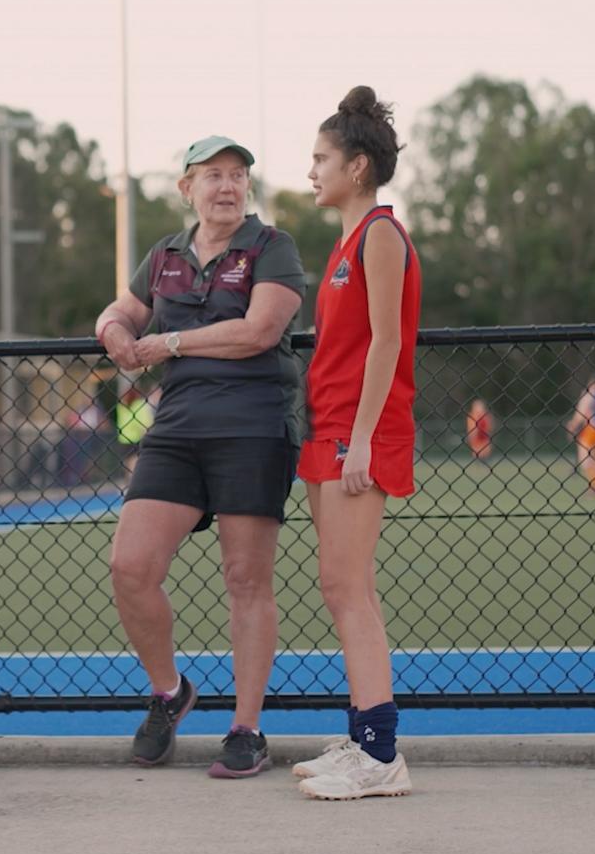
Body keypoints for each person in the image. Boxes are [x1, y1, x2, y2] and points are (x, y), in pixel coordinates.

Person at [92, 134, 306, 779]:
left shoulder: (272, 247)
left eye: (237, 174)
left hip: (254, 426)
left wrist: (169, 342)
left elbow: (260, 331)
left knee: (245, 580)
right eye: (212, 174)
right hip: (178, 428)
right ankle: (169, 694)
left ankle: (246, 729)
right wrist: (113, 332)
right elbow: (122, 311)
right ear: (186, 188)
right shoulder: (164, 254)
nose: (227, 186)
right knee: (130, 566)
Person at [291, 87, 421, 800]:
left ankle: (380, 755)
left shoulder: (378, 234)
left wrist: (364, 440)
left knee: (347, 588)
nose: (311, 171)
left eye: (321, 159)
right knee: (345, 587)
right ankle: (366, 735)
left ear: (359, 167)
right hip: (330, 427)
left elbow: (388, 343)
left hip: (356, 434)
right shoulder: (346, 238)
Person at [465, 399, 495, 463]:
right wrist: (472, 435)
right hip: (476, 439)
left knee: (485, 452)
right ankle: (479, 463)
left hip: (484, 437)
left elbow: (489, 426)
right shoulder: (472, 416)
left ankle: (484, 462)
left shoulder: (486, 416)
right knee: (477, 452)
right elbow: (471, 427)